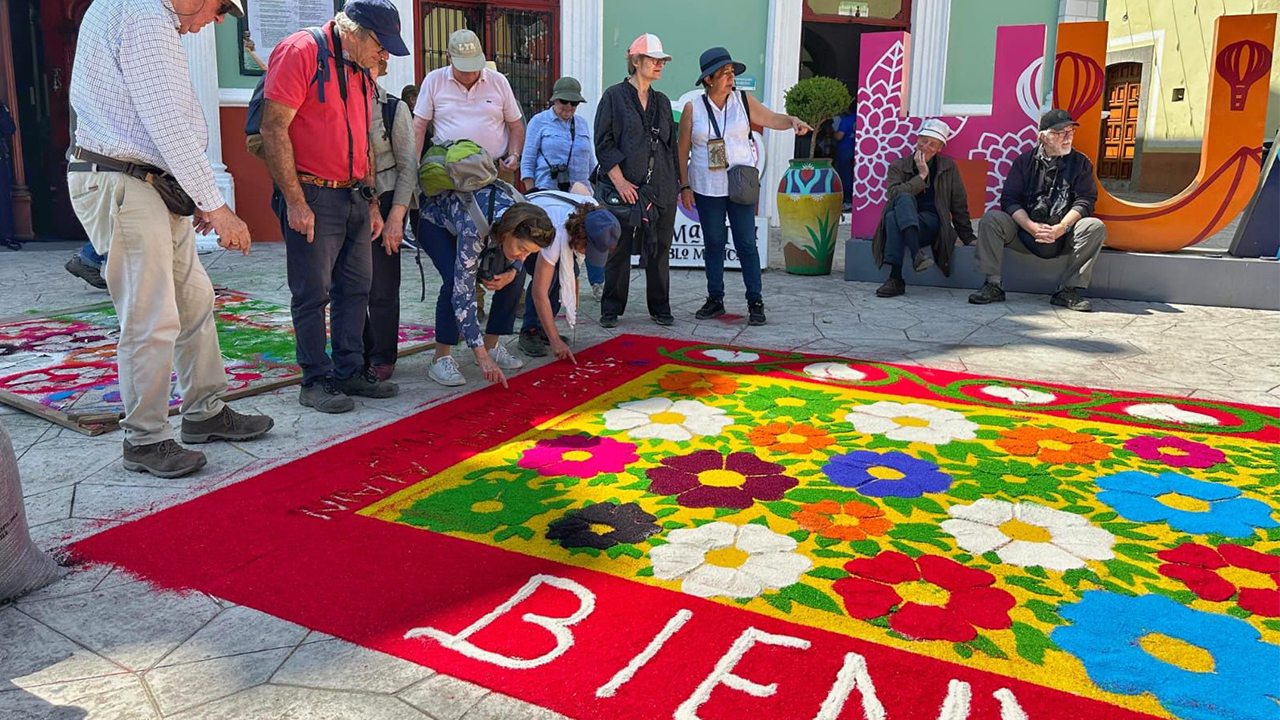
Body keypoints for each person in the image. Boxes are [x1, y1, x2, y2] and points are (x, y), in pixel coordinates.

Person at [67, 0, 272, 479]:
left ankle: (204, 412)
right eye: (220, 6)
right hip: (124, 181)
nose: (217, 20)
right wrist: (215, 204)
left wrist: (193, 194)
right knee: (151, 315)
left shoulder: (147, 14)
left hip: (152, 182)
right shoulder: (143, 13)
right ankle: (146, 439)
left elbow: (159, 122)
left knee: (194, 301)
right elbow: (166, 122)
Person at [261, 0, 408, 414]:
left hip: (356, 196)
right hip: (312, 193)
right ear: (356, 32)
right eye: (381, 46)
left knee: (356, 288)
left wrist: (373, 201)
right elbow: (274, 127)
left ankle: (349, 369)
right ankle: (315, 378)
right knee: (312, 293)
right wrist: (294, 200)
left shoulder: (362, 70)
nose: (384, 56)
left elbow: (363, 140)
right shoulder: (301, 51)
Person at [678, 46, 811, 327]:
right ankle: (715, 298)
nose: (730, 77)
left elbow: (772, 119)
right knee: (713, 243)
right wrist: (684, 186)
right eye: (724, 73)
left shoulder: (743, 101)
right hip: (706, 186)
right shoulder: (694, 108)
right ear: (708, 79)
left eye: (731, 72)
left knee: (746, 244)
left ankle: (755, 301)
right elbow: (682, 149)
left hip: (741, 185)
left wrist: (792, 121)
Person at [412, 29, 526, 326]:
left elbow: (516, 125)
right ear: (450, 58)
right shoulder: (434, 81)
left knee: (502, 244)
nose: (470, 73)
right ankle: (469, 306)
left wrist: (513, 155)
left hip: (493, 175)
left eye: (475, 64)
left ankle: (502, 312)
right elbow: (418, 125)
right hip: (452, 180)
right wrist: (411, 167)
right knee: (461, 247)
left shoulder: (498, 81)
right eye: (463, 66)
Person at [419, 182, 555, 387]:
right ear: (508, 233)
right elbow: (463, 292)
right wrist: (479, 354)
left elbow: (519, 254)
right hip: (435, 222)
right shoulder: (474, 228)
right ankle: (441, 357)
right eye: (522, 249)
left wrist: (514, 269)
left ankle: (492, 344)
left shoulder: (528, 217)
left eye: (529, 252)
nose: (523, 255)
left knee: (515, 276)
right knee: (453, 281)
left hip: (484, 226)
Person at [969, 109, 1105, 312]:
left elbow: (1085, 201)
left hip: (1063, 235)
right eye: (1060, 133)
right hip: (1025, 234)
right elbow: (1009, 200)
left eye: (1070, 132)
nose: (1067, 138)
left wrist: (1061, 227)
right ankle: (993, 285)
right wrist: (1030, 227)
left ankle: (1068, 290)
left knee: (1094, 227)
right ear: (1043, 136)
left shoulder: (1080, 163)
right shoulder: (1024, 162)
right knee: (992, 219)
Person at [596, 34, 679, 329]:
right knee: (618, 251)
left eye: (662, 61)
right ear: (636, 61)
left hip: (662, 189)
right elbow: (603, 143)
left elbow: (671, 148)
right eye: (654, 59)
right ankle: (611, 307)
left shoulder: (663, 102)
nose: (659, 65)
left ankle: (660, 306)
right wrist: (619, 182)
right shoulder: (613, 96)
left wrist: (677, 188)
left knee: (659, 250)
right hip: (625, 189)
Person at [870, 119, 975, 298]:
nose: (926, 146)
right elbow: (893, 194)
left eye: (933, 144)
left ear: (940, 148)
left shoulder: (948, 168)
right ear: (917, 139)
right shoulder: (898, 165)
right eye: (924, 140)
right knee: (897, 207)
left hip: (930, 223)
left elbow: (958, 203)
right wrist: (922, 176)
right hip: (903, 224)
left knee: (893, 216)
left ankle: (895, 279)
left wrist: (967, 236)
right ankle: (915, 255)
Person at [521, 76, 605, 300]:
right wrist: (531, 193)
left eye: (574, 103)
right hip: (548, 194)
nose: (568, 107)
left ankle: (598, 282)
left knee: (589, 237)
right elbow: (527, 159)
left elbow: (590, 160)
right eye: (564, 101)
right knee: (553, 244)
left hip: (580, 194)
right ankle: (550, 288)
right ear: (554, 100)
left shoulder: (583, 124)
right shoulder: (539, 122)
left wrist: (594, 189)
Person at [517, 185, 621, 358]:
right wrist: (555, 340)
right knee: (547, 280)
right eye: (588, 248)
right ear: (581, 235)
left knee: (564, 274)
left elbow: (579, 187)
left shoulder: (596, 216)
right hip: (525, 227)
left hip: (549, 222)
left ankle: (543, 327)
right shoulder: (556, 231)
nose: (586, 254)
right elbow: (539, 292)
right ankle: (530, 330)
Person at [363, 58, 416, 381]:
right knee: (352, 285)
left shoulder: (393, 109)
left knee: (382, 284)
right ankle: (360, 350)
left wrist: (396, 217)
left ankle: (383, 355)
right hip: (347, 199)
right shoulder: (336, 103)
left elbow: (408, 167)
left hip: (385, 199)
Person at [834, 108, 856, 210]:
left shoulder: (846, 120)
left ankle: (848, 201)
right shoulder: (862, 118)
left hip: (845, 149)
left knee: (846, 175)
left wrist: (834, 133)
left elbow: (839, 136)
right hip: (860, 150)